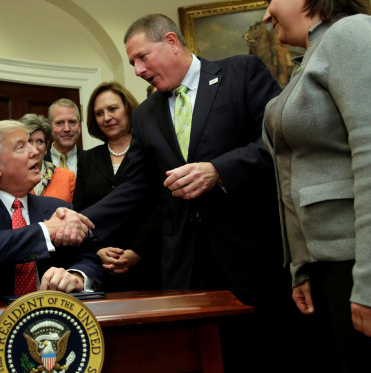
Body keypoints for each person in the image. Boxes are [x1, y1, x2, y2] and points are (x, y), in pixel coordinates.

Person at [80, 13, 291, 372]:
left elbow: (276, 144)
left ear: (172, 42)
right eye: (132, 62)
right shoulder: (146, 114)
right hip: (184, 268)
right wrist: (83, 218)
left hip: (248, 259)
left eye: (142, 57)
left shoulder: (240, 73)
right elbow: (136, 185)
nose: (137, 70)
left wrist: (219, 171)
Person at [262, 1, 371, 371]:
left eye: (270, 1)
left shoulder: (351, 33)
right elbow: (294, 172)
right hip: (325, 269)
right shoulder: (312, 56)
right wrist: (302, 267)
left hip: (356, 266)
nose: (265, 15)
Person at [0, 121, 103, 302]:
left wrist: (77, 276)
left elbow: (89, 257)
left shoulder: (56, 208)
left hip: (53, 318)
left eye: (32, 144)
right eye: (21, 147)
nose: (35, 151)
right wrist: (46, 230)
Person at [73, 82, 161, 291]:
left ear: (129, 108)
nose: (107, 117)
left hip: (150, 260)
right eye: (99, 113)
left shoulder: (151, 152)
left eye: (113, 109)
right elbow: (80, 209)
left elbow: (161, 206)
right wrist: (99, 250)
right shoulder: (87, 158)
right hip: (100, 265)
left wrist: (136, 252)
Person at [18, 113, 76, 203]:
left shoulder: (67, 177)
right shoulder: (12, 176)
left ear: (45, 148)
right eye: (29, 141)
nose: (35, 148)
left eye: (40, 141)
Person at [45, 98, 85, 175]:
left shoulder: (92, 162)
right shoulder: (38, 162)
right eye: (59, 123)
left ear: (79, 128)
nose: (67, 129)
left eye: (72, 122)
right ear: (50, 128)